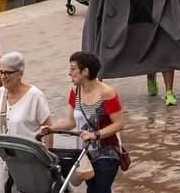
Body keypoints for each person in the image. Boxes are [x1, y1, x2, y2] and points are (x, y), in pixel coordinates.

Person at [39, 52, 126, 193]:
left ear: (85, 71)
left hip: (107, 152)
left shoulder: (107, 93)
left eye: (73, 69)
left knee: (100, 189)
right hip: (84, 153)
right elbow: (70, 122)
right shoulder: (75, 91)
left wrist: (95, 135)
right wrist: (51, 128)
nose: (69, 73)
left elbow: (119, 124)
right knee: (91, 188)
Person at [0, 52, 54, 192]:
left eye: (8, 73)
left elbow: (48, 128)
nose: (3, 76)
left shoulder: (35, 96)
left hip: (29, 162)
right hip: (4, 160)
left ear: (20, 73)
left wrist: (48, 159)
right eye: (0, 71)